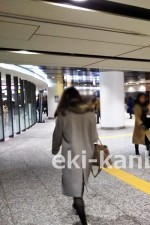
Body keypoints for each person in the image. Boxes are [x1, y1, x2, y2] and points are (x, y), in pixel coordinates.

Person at [52, 87, 97, 225]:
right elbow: (94, 136)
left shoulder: (63, 114)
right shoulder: (90, 113)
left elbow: (57, 135)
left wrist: (54, 149)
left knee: (76, 188)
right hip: (88, 154)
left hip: (72, 155)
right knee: (80, 181)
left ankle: (83, 219)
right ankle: (75, 204)